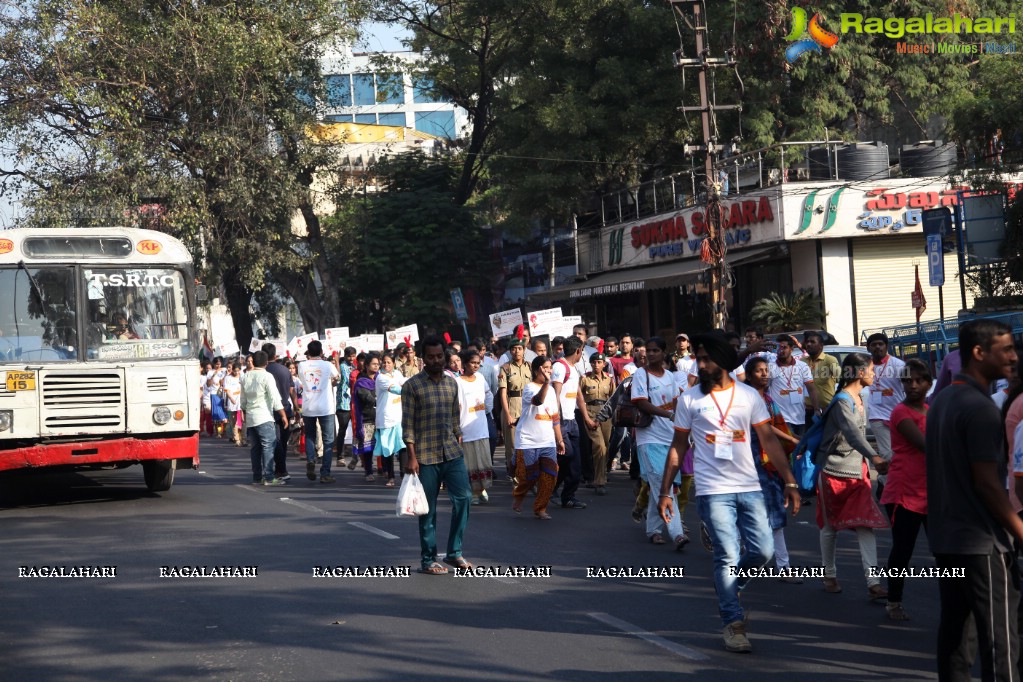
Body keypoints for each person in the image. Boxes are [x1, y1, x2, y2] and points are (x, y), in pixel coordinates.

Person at [658, 330, 800, 654]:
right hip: (712, 490)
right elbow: (678, 447)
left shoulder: (749, 396)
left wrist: (790, 481)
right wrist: (666, 491)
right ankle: (733, 623)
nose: (700, 364)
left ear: (721, 361)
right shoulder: (690, 399)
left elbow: (768, 441)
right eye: (698, 357)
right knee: (727, 555)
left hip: (750, 487)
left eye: (706, 358)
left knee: (763, 552)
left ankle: (729, 589)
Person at [928, 319, 1022, 681]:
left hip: (946, 538)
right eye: (1006, 349)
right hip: (982, 543)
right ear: (979, 353)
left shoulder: (946, 398)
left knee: (956, 633)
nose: (1013, 357)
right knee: (1001, 642)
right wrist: (1019, 530)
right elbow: (987, 484)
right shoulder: (979, 407)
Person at [817, 353, 890, 599]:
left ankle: (873, 582)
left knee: (865, 526)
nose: (873, 374)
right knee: (830, 528)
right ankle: (829, 574)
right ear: (859, 373)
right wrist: (876, 457)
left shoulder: (858, 397)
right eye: (870, 370)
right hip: (832, 471)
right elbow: (852, 433)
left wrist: (870, 461)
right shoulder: (842, 401)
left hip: (858, 473)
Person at [402, 336, 474, 575]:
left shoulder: (452, 384)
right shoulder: (412, 386)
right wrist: (411, 457)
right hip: (425, 456)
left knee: (463, 498)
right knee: (428, 509)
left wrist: (458, 436)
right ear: (423, 359)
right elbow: (408, 426)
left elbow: (455, 418)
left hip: (452, 452)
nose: (436, 360)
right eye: (431, 357)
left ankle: (454, 553)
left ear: (445, 356)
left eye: (439, 356)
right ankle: (428, 559)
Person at [879, 359, 932, 621]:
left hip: (930, 492)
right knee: (903, 549)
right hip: (904, 493)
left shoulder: (931, 410)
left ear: (928, 384)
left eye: (918, 380)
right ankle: (894, 600)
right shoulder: (900, 412)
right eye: (908, 381)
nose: (913, 385)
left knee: (944, 550)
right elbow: (926, 445)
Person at [745, 357, 803, 583]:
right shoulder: (748, 400)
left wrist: (790, 443)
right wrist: (791, 438)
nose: (764, 374)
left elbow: (775, 426)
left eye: (766, 370)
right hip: (752, 463)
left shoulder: (769, 399)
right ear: (749, 376)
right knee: (755, 514)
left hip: (771, 464)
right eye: (758, 371)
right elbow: (765, 428)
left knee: (775, 514)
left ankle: (783, 566)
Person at [632, 336, 688, 549]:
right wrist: (667, 415)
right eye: (649, 350)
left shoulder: (671, 377)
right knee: (659, 482)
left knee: (667, 486)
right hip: (649, 438)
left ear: (664, 353)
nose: (651, 354)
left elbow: (676, 403)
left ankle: (653, 530)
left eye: (656, 350)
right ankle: (677, 533)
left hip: (670, 437)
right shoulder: (641, 374)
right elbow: (642, 403)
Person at [511, 355, 564, 519]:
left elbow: (555, 418)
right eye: (545, 367)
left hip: (547, 441)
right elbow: (538, 401)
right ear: (536, 370)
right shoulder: (529, 388)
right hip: (527, 441)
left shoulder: (553, 391)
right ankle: (519, 495)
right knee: (529, 476)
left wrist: (560, 440)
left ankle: (540, 508)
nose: (548, 371)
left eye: (550, 368)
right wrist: (547, 383)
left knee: (550, 475)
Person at [241, 350, 288, 486]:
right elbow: (275, 398)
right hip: (264, 417)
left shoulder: (245, 377)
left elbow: (243, 401)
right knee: (268, 446)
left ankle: (257, 477)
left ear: (253, 362)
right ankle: (268, 477)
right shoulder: (267, 376)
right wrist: (283, 415)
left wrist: (246, 413)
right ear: (266, 363)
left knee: (255, 448)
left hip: (251, 417)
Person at [297, 340, 340, 484]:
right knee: (328, 440)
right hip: (325, 407)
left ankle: (310, 459)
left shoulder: (301, 365)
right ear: (321, 352)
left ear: (308, 352)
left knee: (310, 436)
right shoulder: (328, 365)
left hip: (309, 406)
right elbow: (338, 378)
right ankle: (325, 473)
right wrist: (336, 361)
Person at [551, 336, 587, 510]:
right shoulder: (560, 366)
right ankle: (550, 487)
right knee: (566, 455)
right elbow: (555, 395)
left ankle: (568, 497)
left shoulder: (574, 369)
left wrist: (586, 418)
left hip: (572, 421)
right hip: (561, 421)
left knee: (575, 462)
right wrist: (555, 423)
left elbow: (578, 395)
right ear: (578, 350)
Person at [865, 333, 906, 477]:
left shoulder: (898, 365)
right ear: (868, 348)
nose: (877, 347)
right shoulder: (865, 367)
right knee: (887, 453)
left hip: (898, 416)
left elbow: (908, 388)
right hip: (877, 415)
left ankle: (887, 484)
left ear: (886, 347)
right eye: (874, 344)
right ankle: (888, 487)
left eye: (880, 344)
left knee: (900, 453)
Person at [457, 350, 493, 504]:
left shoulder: (480, 378)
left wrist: (486, 410)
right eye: (473, 362)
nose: (476, 366)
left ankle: (481, 489)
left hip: (480, 426)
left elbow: (488, 394)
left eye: (478, 363)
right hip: (466, 429)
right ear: (465, 363)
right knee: (469, 463)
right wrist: (457, 429)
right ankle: (471, 493)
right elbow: (457, 406)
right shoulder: (458, 382)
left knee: (483, 461)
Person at [767, 334, 819, 438]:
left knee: (799, 449)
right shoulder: (770, 366)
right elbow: (763, 390)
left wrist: (817, 409)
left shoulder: (802, 366)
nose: (781, 350)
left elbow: (811, 389)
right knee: (789, 448)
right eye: (778, 347)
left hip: (800, 416)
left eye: (784, 347)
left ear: (792, 349)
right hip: (781, 418)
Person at [579, 352, 614, 495]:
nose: (596, 365)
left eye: (599, 362)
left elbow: (613, 398)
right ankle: (600, 482)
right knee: (599, 446)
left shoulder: (609, 380)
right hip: (591, 413)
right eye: (593, 362)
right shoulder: (585, 379)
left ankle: (600, 474)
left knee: (605, 446)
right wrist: (586, 417)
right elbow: (579, 398)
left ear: (604, 364)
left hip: (606, 415)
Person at [498, 338, 532, 480]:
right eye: (513, 348)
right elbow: (503, 393)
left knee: (528, 443)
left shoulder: (530, 366)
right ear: (510, 351)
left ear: (524, 350)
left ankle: (527, 473)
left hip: (527, 407)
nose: (516, 351)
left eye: (519, 348)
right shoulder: (505, 368)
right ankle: (514, 474)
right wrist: (507, 415)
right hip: (511, 406)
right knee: (512, 445)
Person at [263, 343, 296, 481]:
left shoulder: (263, 372)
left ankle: (281, 470)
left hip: (271, 410)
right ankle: (280, 469)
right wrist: (296, 408)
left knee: (276, 442)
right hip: (286, 408)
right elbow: (292, 391)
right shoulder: (285, 370)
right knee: (282, 442)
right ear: (275, 355)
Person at [373, 352, 406, 487]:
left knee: (403, 445)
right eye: (384, 362)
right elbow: (395, 389)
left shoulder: (397, 374)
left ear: (393, 363)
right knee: (388, 449)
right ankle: (390, 477)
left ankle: (405, 474)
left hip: (399, 416)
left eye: (389, 362)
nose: (386, 364)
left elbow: (405, 381)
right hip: (385, 417)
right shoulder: (380, 377)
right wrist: (410, 390)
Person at [801, 331, 840, 424]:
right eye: (807, 342)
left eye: (812, 342)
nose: (809, 344)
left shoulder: (829, 360)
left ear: (821, 346)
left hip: (826, 409)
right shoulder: (802, 362)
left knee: (828, 437)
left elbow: (841, 379)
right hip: (807, 411)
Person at [353, 353, 380, 481]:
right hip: (367, 418)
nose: (376, 366)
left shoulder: (381, 379)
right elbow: (367, 398)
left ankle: (385, 469)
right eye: (374, 364)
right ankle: (368, 471)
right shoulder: (361, 381)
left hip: (381, 417)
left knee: (383, 445)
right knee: (368, 448)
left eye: (377, 364)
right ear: (367, 365)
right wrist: (377, 398)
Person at [335, 346, 357, 467]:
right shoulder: (342, 366)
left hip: (354, 403)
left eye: (353, 356)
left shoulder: (355, 366)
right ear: (345, 355)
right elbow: (341, 377)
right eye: (349, 356)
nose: (351, 358)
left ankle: (356, 456)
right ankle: (340, 457)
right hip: (343, 403)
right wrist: (337, 361)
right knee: (342, 430)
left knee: (356, 431)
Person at [222, 362, 243, 446]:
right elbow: (226, 390)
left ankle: (243, 437)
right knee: (233, 420)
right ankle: (236, 438)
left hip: (241, 399)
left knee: (242, 419)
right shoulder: (228, 378)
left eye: (238, 371)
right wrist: (231, 398)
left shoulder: (242, 377)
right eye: (235, 371)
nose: (236, 373)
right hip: (232, 400)